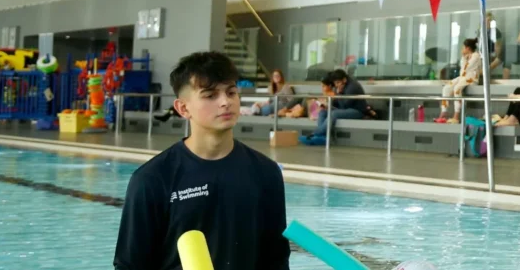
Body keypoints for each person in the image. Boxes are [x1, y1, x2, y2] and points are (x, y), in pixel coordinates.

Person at [113, 51, 289, 269]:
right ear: (183, 108)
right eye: (210, 95)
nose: (225, 102)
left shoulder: (266, 172)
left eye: (231, 92)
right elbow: (130, 265)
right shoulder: (153, 179)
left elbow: (276, 259)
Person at [301, 70, 368, 146]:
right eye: (335, 83)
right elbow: (339, 104)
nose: (336, 85)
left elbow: (344, 105)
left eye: (338, 83)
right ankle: (323, 137)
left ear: (344, 80)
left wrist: (338, 94)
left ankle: (315, 134)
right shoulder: (341, 86)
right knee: (323, 112)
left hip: (357, 111)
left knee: (334, 113)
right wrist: (327, 105)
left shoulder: (352, 87)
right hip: (345, 109)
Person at [437, 38, 481, 123]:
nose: (462, 49)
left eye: (463, 47)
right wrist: (464, 58)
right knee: (446, 88)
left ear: (468, 48)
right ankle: (444, 112)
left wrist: (465, 59)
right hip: (463, 77)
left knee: (457, 89)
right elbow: (462, 70)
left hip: (471, 79)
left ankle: (456, 116)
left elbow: (466, 68)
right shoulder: (464, 57)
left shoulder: (476, 56)